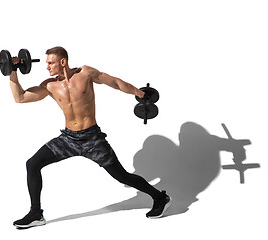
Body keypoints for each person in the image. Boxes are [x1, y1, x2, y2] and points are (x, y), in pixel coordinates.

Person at [10, 46, 171, 229]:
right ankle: (36, 214)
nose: (47, 67)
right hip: (68, 139)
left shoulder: (86, 73)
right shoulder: (49, 86)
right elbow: (20, 98)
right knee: (32, 164)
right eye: (46, 63)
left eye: (50, 63)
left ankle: (160, 198)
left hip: (92, 139)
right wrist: (12, 70)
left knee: (122, 176)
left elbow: (115, 83)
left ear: (63, 62)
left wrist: (140, 94)